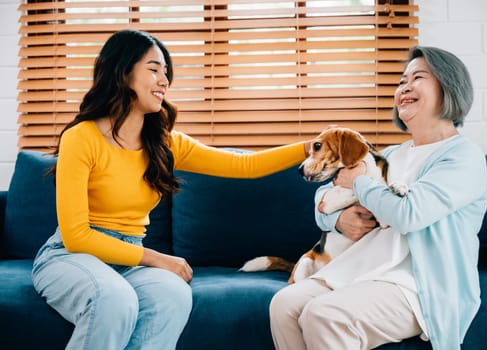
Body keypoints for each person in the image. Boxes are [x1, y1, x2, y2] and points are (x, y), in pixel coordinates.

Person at [31, 29, 311, 350]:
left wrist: (311, 147)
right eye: (153, 69)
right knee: (114, 298)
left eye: (166, 72)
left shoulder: (165, 143)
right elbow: (76, 235)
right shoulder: (81, 138)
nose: (164, 80)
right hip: (73, 256)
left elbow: (244, 166)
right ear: (122, 73)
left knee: (173, 294)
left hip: (128, 260)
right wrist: (156, 258)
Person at [269, 46, 487, 350]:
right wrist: (338, 218)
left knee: (324, 315)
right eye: (401, 81)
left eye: (418, 78)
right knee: (284, 304)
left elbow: (408, 214)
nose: (405, 87)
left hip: (416, 286)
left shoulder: (464, 157)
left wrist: (359, 182)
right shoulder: (390, 154)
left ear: (448, 87)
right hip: (364, 271)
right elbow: (325, 193)